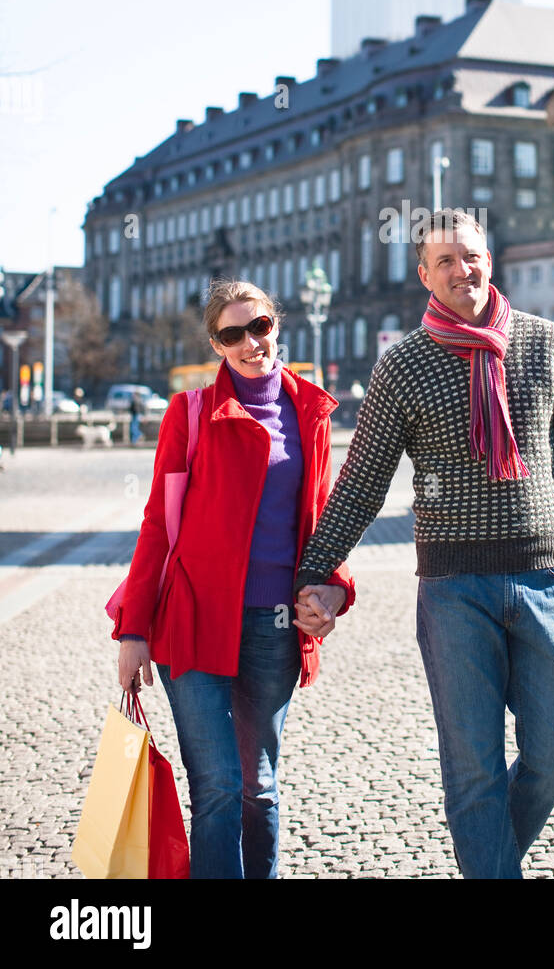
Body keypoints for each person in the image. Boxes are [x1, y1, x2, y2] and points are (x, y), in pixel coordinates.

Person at [295, 209, 554, 879]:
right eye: (445, 261)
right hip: (453, 593)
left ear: (491, 261)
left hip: (544, 580)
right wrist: (316, 570)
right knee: (473, 768)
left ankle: (487, 860)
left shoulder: (545, 345)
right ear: (424, 275)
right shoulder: (403, 367)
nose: (462, 270)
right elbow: (362, 484)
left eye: (471, 256)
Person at [113, 279, 354, 879]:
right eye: (232, 334)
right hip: (193, 626)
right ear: (216, 345)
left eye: (260, 327)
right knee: (218, 784)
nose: (251, 343)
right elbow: (157, 527)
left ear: (277, 324)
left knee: (260, 787)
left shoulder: (310, 412)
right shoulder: (189, 415)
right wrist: (132, 629)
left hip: (273, 628)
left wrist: (336, 589)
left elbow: (323, 520)